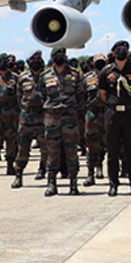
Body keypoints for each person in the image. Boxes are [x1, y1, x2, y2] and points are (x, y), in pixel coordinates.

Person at [99, 41, 131, 196]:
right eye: (118, 50)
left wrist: (129, 105)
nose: (121, 53)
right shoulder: (106, 71)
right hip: (112, 114)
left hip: (129, 113)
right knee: (112, 151)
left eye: (123, 50)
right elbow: (103, 94)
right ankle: (113, 185)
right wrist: (114, 105)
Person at [40, 47, 84, 197]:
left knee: (72, 151)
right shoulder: (45, 76)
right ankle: (51, 183)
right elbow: (41, 95)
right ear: (52, 57)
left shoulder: (75, 74)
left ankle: (73, 184)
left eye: (62, 54)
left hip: (69, 118)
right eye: (57, 54)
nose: (60, 57)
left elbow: (81, 95)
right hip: (52, 119)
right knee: (52, 152)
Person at [13, 51, 47, 188]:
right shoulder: (22, 77)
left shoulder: (47, 77)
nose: (36, 62)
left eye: (38, 59)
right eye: (33, 60)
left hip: (43, 115)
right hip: (27, 116)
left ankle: (42, 169)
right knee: (23, 147)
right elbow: (18, 97)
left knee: (45, 147)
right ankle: (18, 175)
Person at [82, 53, 107, 188]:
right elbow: (81, 96)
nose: (99, 64)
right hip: (92, 115)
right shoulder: (87, 78)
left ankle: (100, 167)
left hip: (106, 114)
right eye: (97, 62)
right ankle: (90, 173)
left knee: (105, 143)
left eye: (102, 62)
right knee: (91, 145)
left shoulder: (110, 76)